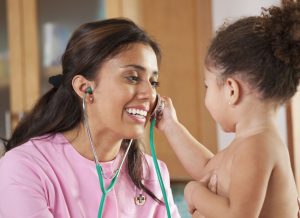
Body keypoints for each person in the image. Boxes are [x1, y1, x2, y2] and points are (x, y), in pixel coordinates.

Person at [0, 18, 180, 218]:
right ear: (85, 89)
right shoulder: (24, 168)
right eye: (133, 77)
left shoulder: (152, 173)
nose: (150, 94)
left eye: (154, 82)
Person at [157, 1, 300, 217]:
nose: (206, 96)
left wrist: (194, 192)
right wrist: (170, 126)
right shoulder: (248, 143)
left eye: (207, 86)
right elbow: (208, 168)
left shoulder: (257, 148)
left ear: (231, 90)